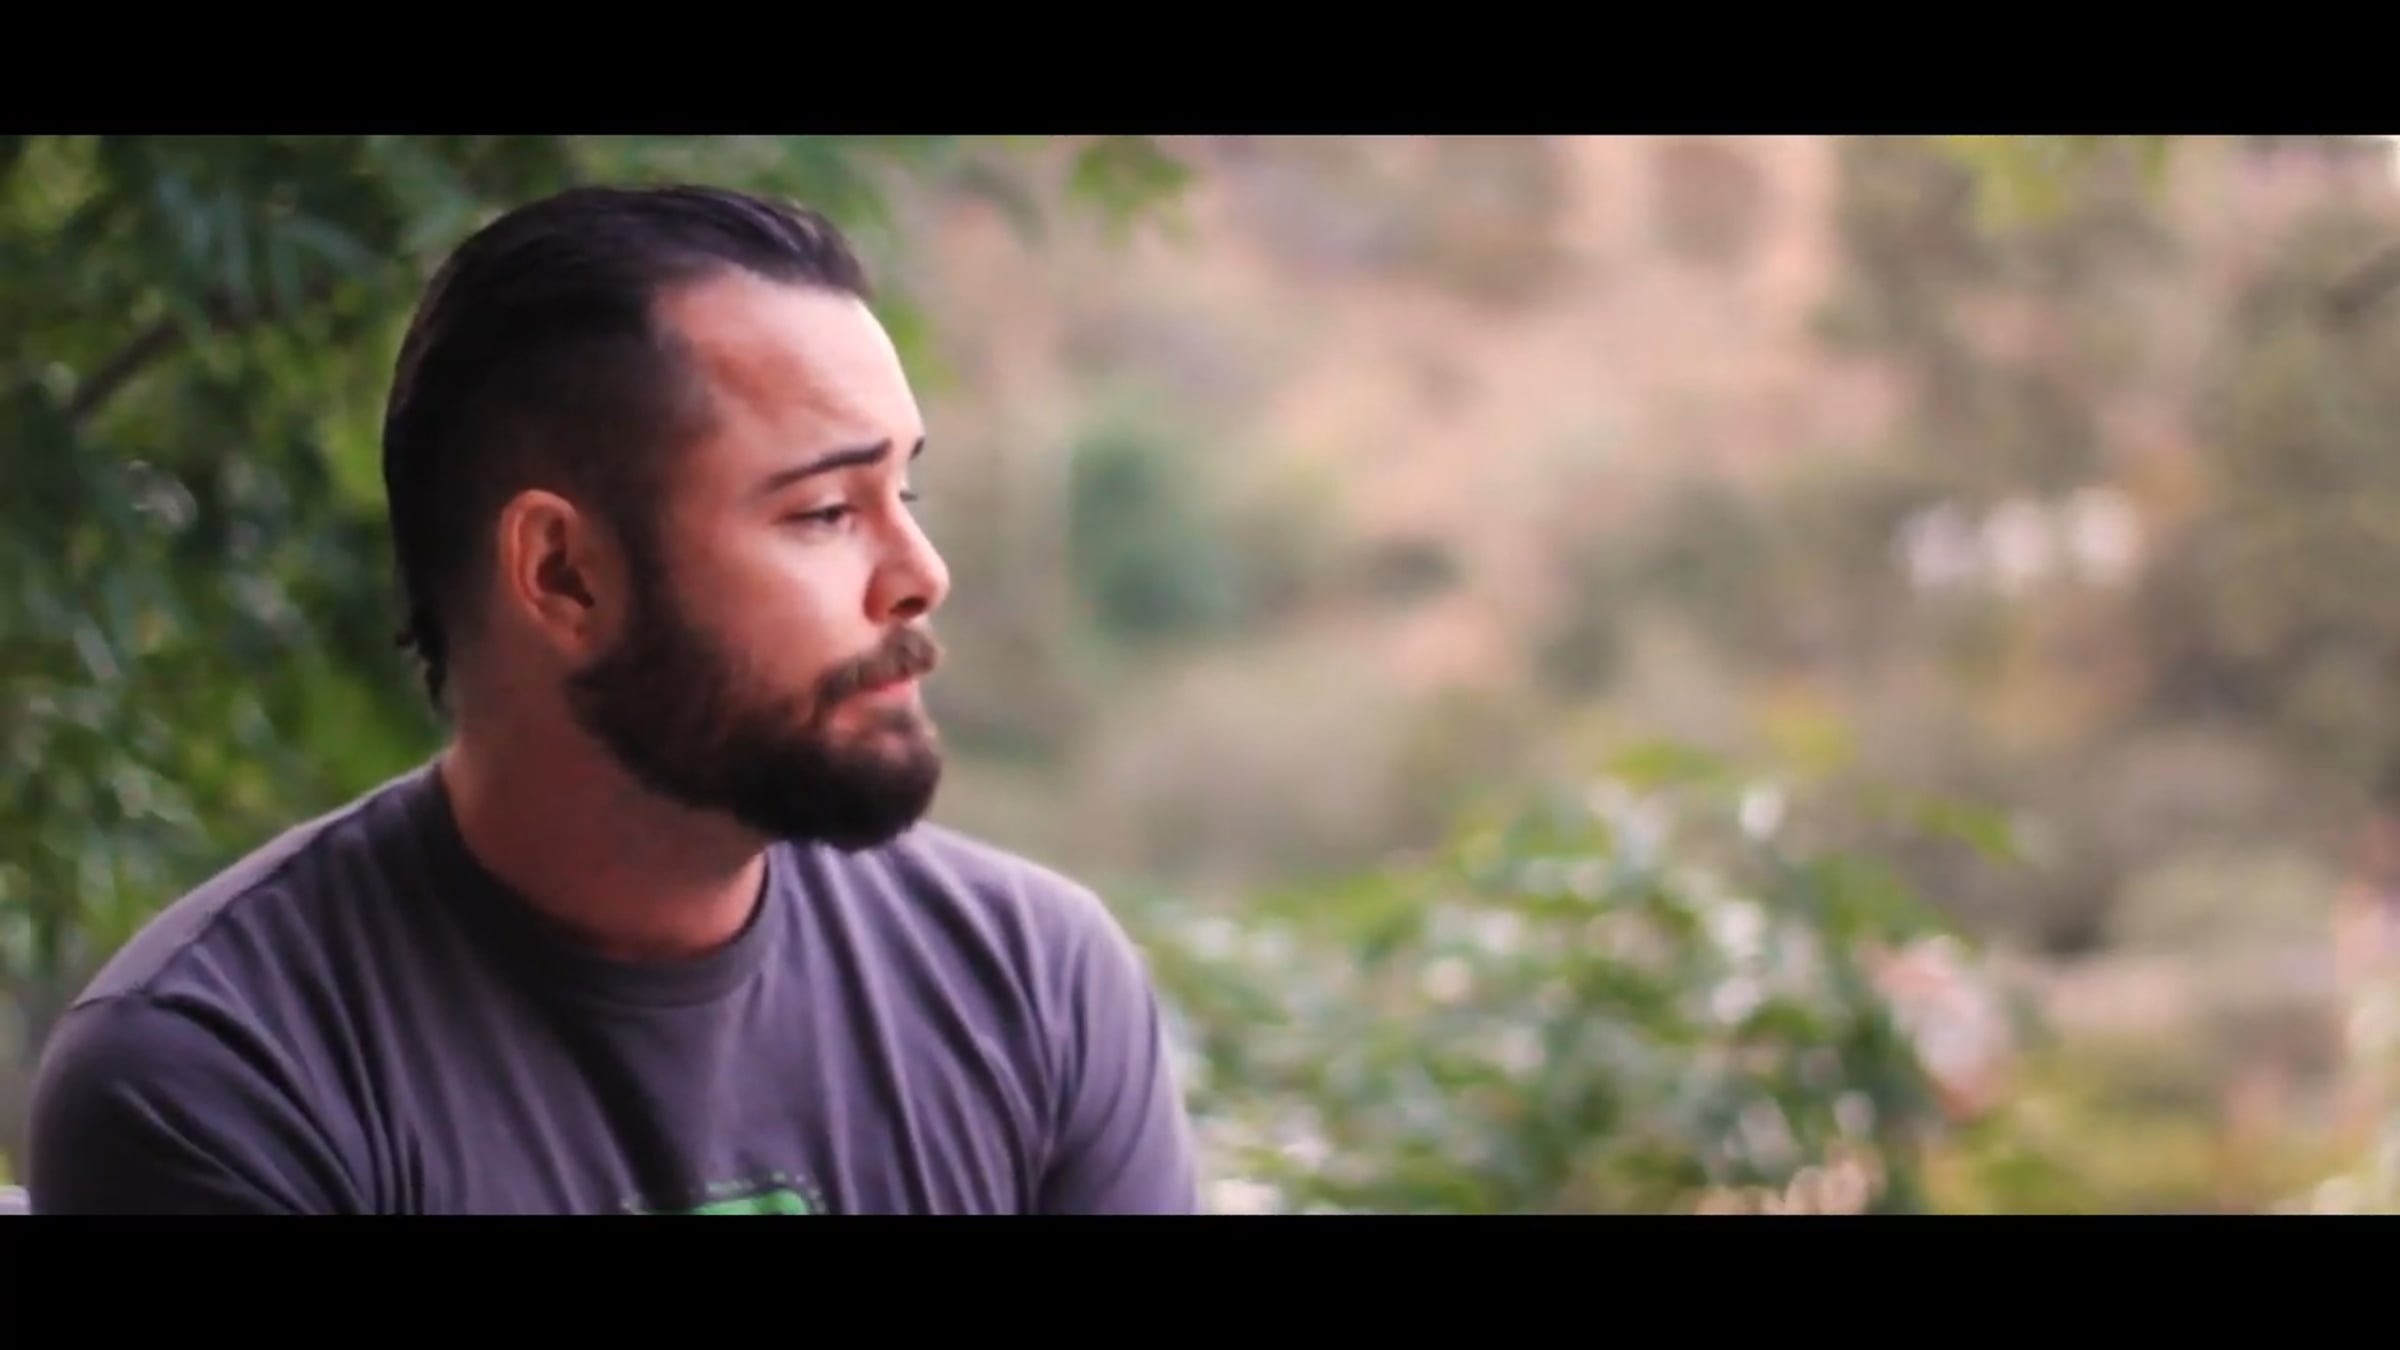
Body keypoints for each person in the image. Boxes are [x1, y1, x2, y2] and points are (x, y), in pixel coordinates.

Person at [23, 184, 1202, 1214]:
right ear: (563, 575)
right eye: (824, 512)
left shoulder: (1032, 988)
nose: (920, 574)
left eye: (908, 493)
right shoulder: (224, 1079)